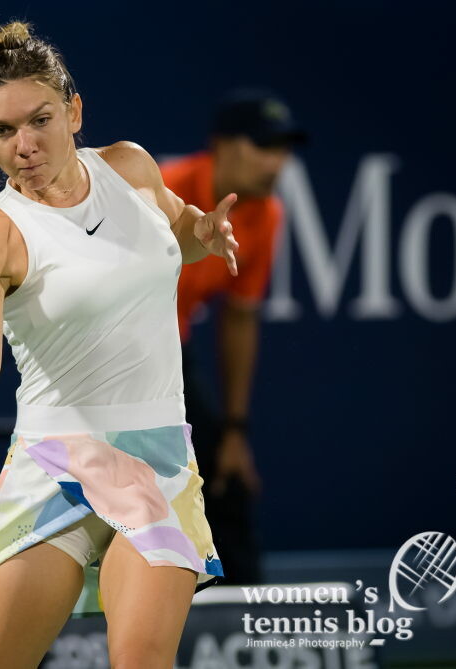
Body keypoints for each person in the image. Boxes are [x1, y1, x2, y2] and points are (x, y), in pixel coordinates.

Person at [0, 22, 238, 668]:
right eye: (1, 130)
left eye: (40, 120)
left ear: (73, 111)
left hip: (157, 460)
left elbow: (172, 228)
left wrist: (201, 234)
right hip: (54, 466)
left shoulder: (129, 167)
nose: (25, 145)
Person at [160, 91, 305, 585]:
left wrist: (235, 431)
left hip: (171, 352)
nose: (275, 163)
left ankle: (246, 621)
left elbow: (239, 318)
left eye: (282, 149)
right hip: (107, 352)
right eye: (263, 146)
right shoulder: (165, 189)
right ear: (221, 146)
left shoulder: (266, 214)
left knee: (226, 476)